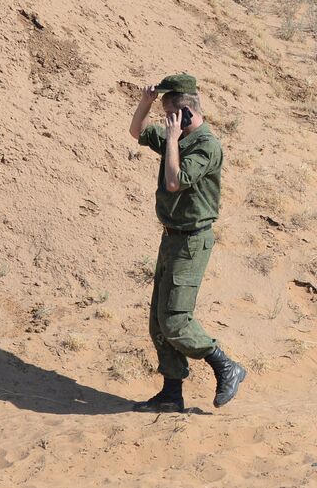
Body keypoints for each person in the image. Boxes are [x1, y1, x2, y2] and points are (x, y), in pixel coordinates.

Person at [126, 72, 247, 413]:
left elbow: (175, 181)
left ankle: (226, 366)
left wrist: (174, 139)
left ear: (186, 113)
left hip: (192, 242)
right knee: (159, 323)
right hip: (171, 238)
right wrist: (146, 103)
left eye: (169, 113)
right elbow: (136, 132)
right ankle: (171, 392)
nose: (165, 121)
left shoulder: (206, 145)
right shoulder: (175, 138)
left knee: (177, 321)